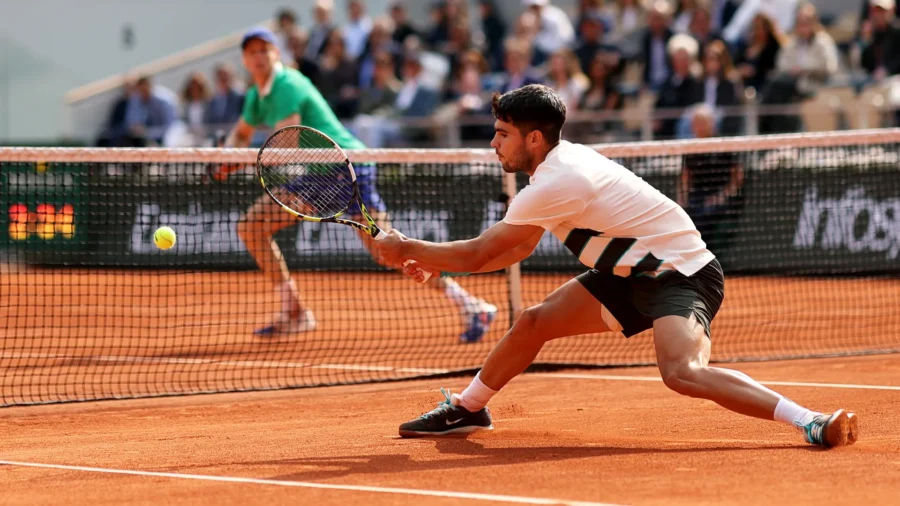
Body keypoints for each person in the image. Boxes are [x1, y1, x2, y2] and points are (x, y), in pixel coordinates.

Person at [374, 84, 858, 448]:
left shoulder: (558, 181)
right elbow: (514, 250)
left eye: (502, 135)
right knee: (534, 322)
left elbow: (482, 252)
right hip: (626, 275)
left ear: (535, 138)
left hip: (681, 274)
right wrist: (421, 256)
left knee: (682, 372)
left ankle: (809, 420)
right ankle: (468, 409)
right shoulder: (554, 171)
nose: (494, 145)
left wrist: (407, 248)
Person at [216, 27, 497, 340]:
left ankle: (473, 306)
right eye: (251, 51)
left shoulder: (287, 83)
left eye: (264, 49)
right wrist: (225, 154)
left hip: (345, 166)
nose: (258, 56)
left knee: (386, 250)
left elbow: (287, 144)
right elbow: (241, 134)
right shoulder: (256, 94)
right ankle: (472, 305)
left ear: (276, 53)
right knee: (382, 251)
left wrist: (237, 160)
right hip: (324, 172)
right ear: (244, 59)